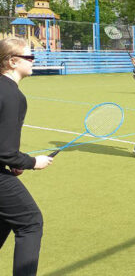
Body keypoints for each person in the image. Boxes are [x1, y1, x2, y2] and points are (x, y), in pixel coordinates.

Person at [0, 37, 53, 276]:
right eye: (29, 57)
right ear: (12, 61)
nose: (33, 61)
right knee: (31, 222)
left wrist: (13, 162)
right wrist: (32, 162)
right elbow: (5, 151)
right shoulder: (12, 96)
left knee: (6, 218)